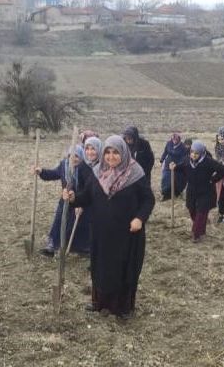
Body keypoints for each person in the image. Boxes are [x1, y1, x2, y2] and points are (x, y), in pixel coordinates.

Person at [63, 135, 155, 320]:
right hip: (101, 232)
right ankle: (100, 303)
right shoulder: (97, 172)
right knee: (101, 267)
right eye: (107, 152)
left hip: (127, 234)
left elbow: (148, 199)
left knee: (123, 269)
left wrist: (139, 218)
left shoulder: (135, 174)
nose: (111, 157)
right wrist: (73, 198)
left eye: (115, 153)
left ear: (123, 153)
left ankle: (122, 308)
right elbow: (86, 197)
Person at [33, 145, 92, 257]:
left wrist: (81, 204)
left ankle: (81, 248)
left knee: (78, 224)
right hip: (65, 199)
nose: (73, 159)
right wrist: (41, 171)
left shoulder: (84, 168)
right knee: (59, 220)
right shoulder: (63, 165)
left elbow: (87, 189)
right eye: (70, 156)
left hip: (80, 201)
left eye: (76, 156)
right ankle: (52, 246)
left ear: (81, 157)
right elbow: (53, 174)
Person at [170, 141, 224, 242]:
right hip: (192, 190)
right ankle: (201, 230)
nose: (193, 155)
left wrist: (213, 180)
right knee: (192, 210)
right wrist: (174, 167)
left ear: (201, 153)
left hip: (206, 191)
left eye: (196, 153)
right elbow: (182, 167)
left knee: (201, 211)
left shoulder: (208, 161)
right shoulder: (187, 160)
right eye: (192, 152)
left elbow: (223, 170)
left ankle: (196, 234)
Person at [159, 132, 188, 200]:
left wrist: (177, 165)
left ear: (179, 140)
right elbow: (165, 152)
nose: (174, 141)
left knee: (177, 181)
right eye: (173, 139)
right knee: (165, 179)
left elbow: (184, 158)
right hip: (168, 164)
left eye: (176, 139)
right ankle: (165, 194)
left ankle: (177, 193)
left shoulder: (183, 147)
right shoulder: (169, 143)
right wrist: (161, 160)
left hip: (178, 166)